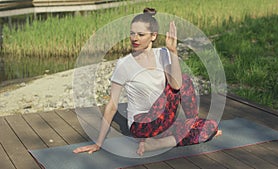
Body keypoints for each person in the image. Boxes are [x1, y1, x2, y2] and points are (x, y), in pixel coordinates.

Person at [73, 7, 222, 156]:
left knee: (210, 124)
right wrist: (98, 143)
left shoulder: (163, 54)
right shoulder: (124, 64)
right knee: (181, 82)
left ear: (153, 36)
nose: (134, 38)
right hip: (142, 125)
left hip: (164, 123)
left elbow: (177, 85)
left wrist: (173, 52)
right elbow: (112, 105)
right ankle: (181, 133)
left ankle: (166, 139)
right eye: (132, 33)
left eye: (140, 34)